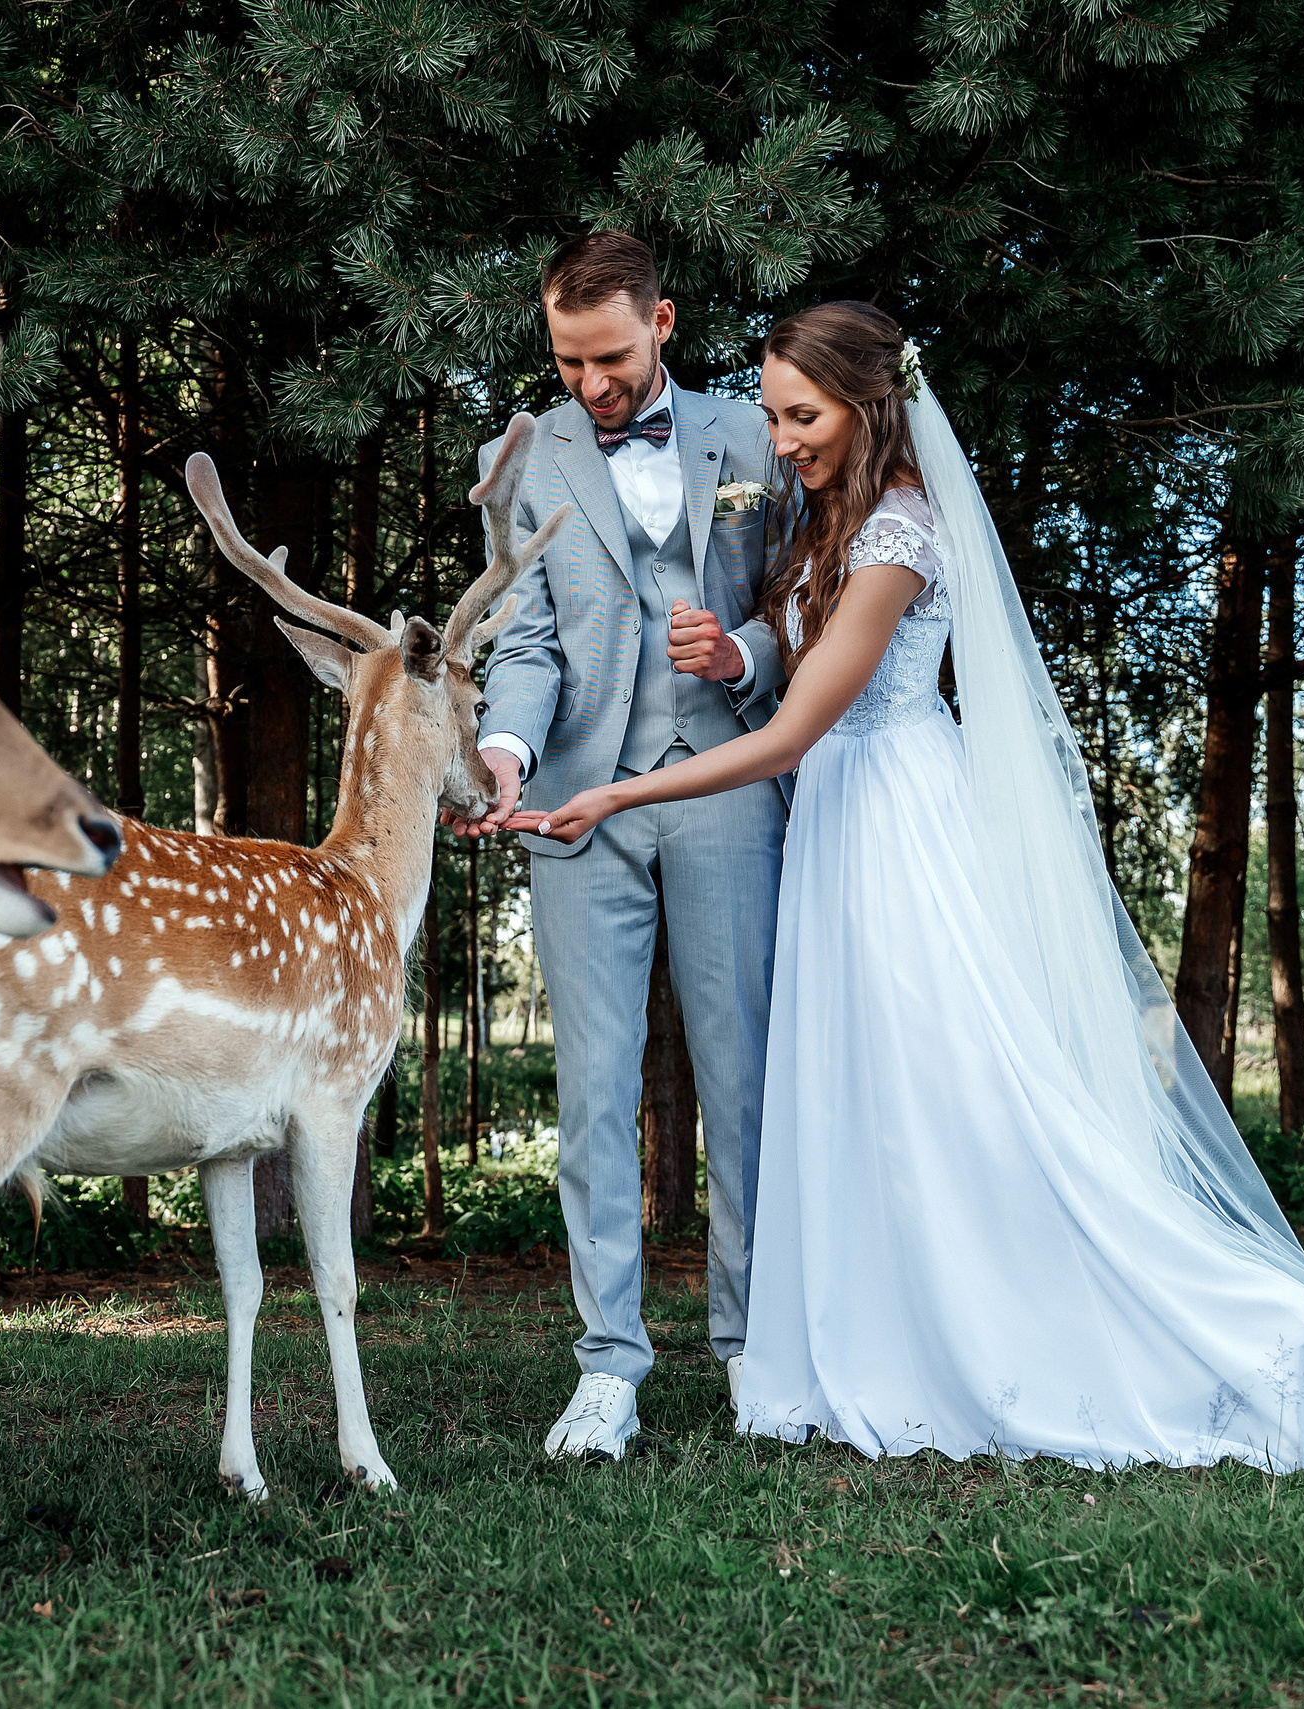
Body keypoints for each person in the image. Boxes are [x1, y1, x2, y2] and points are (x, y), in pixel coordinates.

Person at [526, 302, 1304, 1471]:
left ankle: (1197, 1331)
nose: (779, 440)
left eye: (802, 415)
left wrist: (618, 797)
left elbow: (792, 733)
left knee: (958, 1091)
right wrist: (732, 645)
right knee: (868, 1095)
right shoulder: (830, 518)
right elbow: (782, 662)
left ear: (869, 403)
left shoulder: (896, 533)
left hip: (892, 822)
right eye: (775, 414)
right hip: (836, 826)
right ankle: (872, 1328)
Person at [451, 230, 788, 1461]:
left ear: (664, 324)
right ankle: (608, 1364)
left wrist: (745, 655)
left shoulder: (754, 437)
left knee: (742, 1075)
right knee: (589, 1090)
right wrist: (504, 756)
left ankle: (753, 1345)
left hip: (726, 782)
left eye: (607, 356)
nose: (589, 384)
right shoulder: (523, 456)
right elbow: (526, 635)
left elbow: (809, 598)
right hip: (575, 800)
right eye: (565, 360)